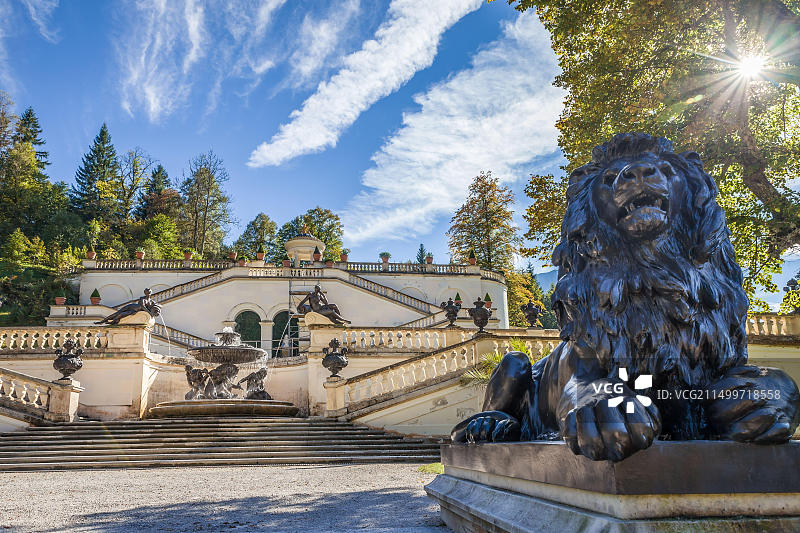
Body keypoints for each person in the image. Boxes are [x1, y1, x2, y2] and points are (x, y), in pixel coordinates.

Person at [95, 288, 162, 325]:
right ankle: (102, 321)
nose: (148, 294)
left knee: (121, 315)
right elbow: (143, 307)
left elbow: (158, 305)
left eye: (149, 293)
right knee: (117, 313)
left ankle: (113, 321)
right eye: (147, 293)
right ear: (145, 293)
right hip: (131, 307)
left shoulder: (151, 301)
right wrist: (150, 313)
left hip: (133, 311)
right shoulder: (143, 298)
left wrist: (157, 309)